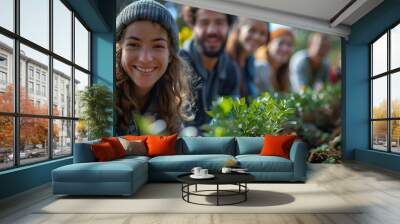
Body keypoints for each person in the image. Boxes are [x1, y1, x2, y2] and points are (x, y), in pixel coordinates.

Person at [115, 0, 193, 135]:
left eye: (158, 46)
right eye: (133, 44)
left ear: (170, 55)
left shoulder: (172, 106)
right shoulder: (105, 101)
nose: (145, 58)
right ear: (120, 50)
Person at [180, 7, 240, 128]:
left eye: (219, 22)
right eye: (204, 23)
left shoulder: (230, 69)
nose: (212, 30)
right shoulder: (177, 65)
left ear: (229, 26)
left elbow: (230, 123)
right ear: (193, 26)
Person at [225, 18, 269, 98]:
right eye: (251, 30)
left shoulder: (250, 60)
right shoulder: (224, 59)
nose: (257, 37)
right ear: (239, 30)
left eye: (263, 33)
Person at [254, 28, 295, 93]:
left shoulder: (283, 73)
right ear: (269, 44)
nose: (285, 49)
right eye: (280, 43)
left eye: (289, 45)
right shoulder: (261, 67)